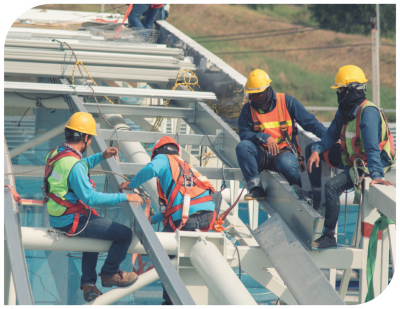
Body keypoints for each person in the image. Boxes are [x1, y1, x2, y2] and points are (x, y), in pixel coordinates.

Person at [294, 65, 395, 250]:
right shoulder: (345, 111)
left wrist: (376, 175)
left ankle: (328, 236)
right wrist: (317, 150)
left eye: (341, 89)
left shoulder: (368, 114)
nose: (339, 93)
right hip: (350, 157)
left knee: (332, 187)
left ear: (352, 90)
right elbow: (330, 136)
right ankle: (316, 199)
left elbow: (372, 149)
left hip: (366, 165)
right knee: (310, 149)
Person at [45, 112, 143, 302]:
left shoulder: (56, 154)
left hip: (57, 215)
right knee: (123, 235)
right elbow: (89, 197)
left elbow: (78, 164)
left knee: (94, 225)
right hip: (71, 220)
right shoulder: (75, 165)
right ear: (86, 138)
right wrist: (125, 197)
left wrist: (101, 156)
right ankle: (109, 273)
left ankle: (89, 284)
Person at [118, 136, 219, 305]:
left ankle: (169, 302)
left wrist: (131, 184)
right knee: (179, 257)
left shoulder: (163, 158)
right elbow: (178, 209)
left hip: (187, 220)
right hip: (207, 216)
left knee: (164, 256)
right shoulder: (184, 165)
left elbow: (150, 169)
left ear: (157, 151)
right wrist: (152, 218)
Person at [236, 69, 327, 200]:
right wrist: (263, 137)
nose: (254, 98)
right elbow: (244, 134)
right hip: (261, 153)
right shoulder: (248, 109)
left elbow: (310, 123)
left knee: (288, 165)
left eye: (258, 94)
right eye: (251, 95)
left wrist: (329, 138)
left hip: (283, 151)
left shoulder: (287, 102)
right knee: (243, 147)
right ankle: (256, 188)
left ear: (268, 90)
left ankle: (299, 194)